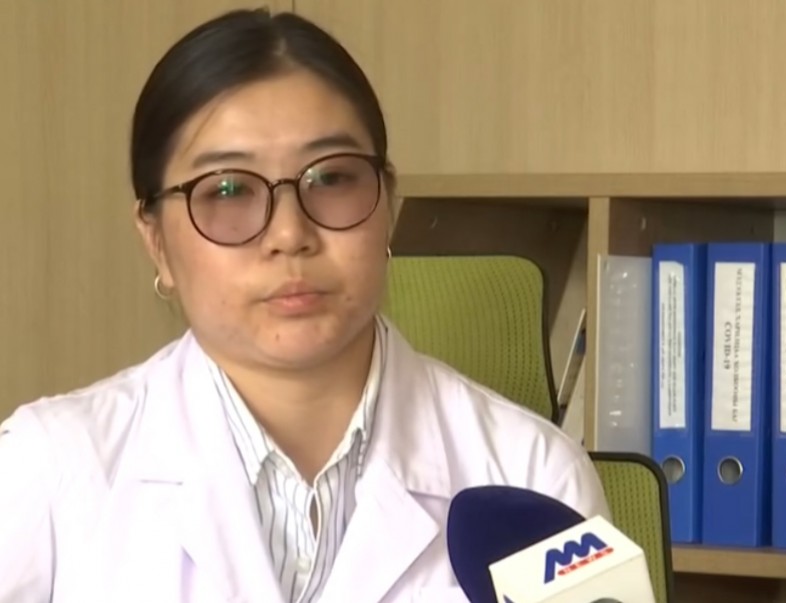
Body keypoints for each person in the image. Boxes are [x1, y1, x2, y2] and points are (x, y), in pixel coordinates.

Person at [0, 8, 609, 603]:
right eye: (228, 190)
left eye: (331, 179)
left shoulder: (532, 475)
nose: (289, 234)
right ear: (156, 241)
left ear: (387, 204)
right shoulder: (47, 469)